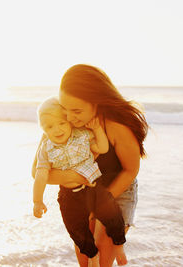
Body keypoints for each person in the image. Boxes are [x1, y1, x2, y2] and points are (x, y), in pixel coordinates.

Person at [32, 64, 148, 266]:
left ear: (97, 102)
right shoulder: (60, 125)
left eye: (76, 110)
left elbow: (131, 170)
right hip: (80, 194)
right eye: (65, 109)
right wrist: (71, 177)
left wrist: (101, 204)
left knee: (103, 257)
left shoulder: (117, 126)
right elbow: (37, 171)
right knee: (86, 258)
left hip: (117, 190)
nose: (69, 117)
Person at [32, 97, 127, 266]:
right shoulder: (46, 149)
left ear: (69, 122)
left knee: (112, 215)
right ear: (43, 129)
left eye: (61, 123)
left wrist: (97, 129)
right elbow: (40, 175)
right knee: (76, 230)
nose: (57, 130)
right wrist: (37, 201)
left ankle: (119, 244)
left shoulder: (82, 136)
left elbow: (103, 148)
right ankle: (92, 255)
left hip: (93, 188)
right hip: (69, 196)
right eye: (49, 126)